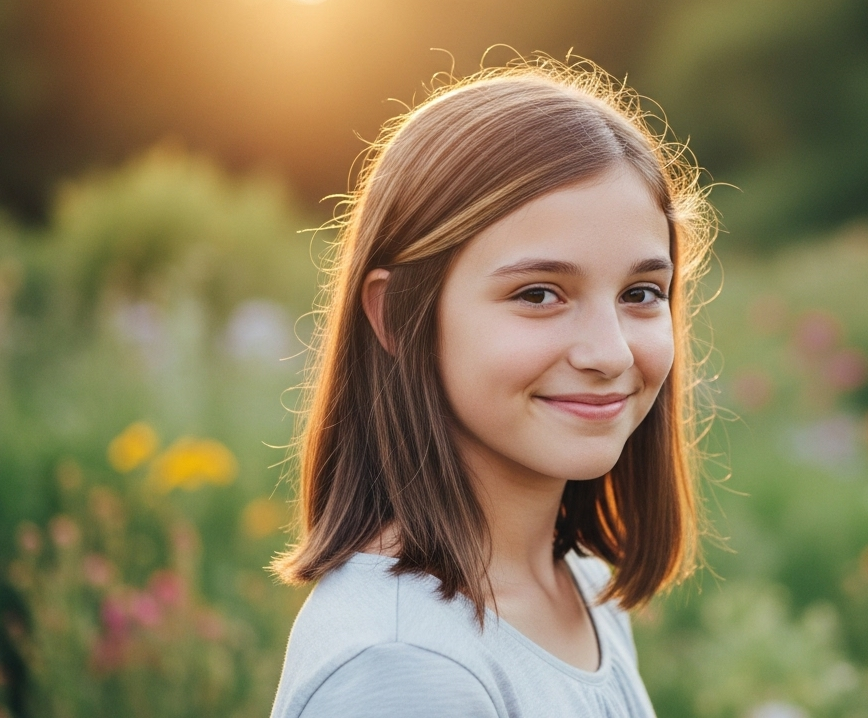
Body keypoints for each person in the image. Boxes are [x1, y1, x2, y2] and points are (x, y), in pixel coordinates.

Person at [267, 58, 716, 717]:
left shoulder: (580, 589)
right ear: (396, 316)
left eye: (641, 293)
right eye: (538, 294)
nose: (610, 352)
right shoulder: (406, 668)